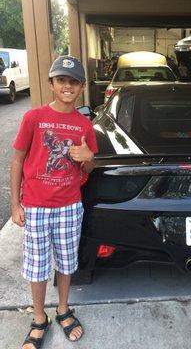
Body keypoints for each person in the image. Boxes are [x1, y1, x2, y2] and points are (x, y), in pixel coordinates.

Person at [10, 55, 98, 349]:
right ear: (51, 84)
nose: (67, 86)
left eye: (73, 81)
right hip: (35, 206)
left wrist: (88, 160)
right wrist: (15, 204)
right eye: (62, 80)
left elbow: (88, 166)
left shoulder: (84, 125)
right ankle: (38, 317)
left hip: (69, 206)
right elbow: (18, 160)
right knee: (37, 266)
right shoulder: (33, 118)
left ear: (82, 86)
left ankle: (62, 309)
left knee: (66, 261)